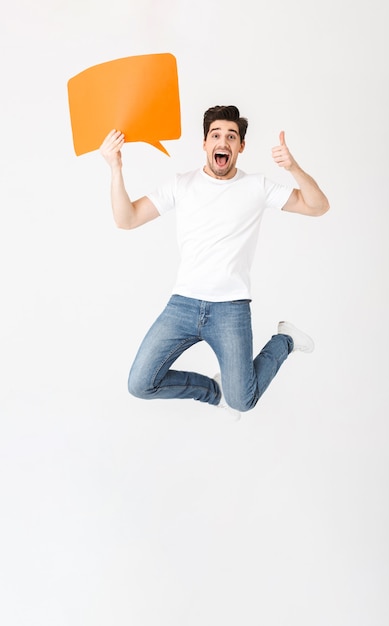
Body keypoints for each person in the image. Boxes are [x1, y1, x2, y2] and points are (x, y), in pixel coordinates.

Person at [100, 105, 329, 419]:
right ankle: (213, 392)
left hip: (230, 309)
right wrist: (115, 167)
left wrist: (293, 168)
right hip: (183, 305)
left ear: (240, 147)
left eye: (231, 136)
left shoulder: (257, 187)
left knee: (243, 401)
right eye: (216, 135)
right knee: (140, 383)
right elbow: (126, 220)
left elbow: (318, 207)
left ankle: (284, 340)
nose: (223, 142)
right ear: (205, 144)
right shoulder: (181, 184)